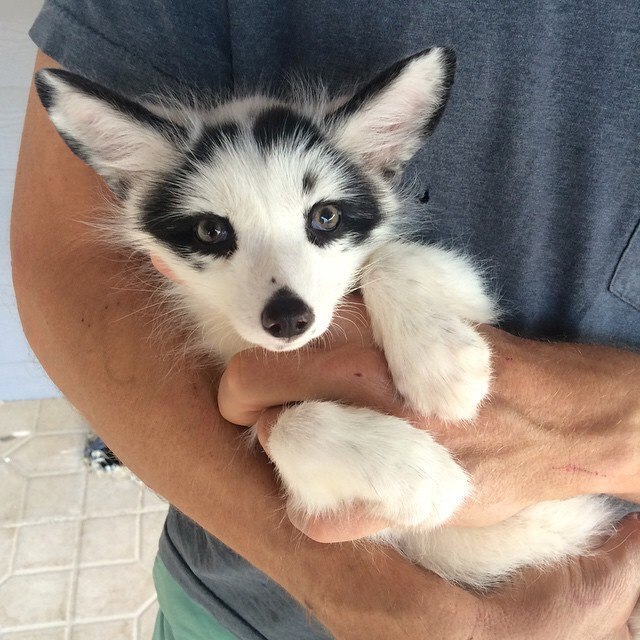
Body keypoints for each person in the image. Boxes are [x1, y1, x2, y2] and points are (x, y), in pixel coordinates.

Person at [11, 1, 640, 638]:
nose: (283, 292)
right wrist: (306, 462)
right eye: (213, 232)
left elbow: (451, 300)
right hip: (239, 610)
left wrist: (399, 288)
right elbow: (64, 266)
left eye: (324, 220)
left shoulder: (397, 267)